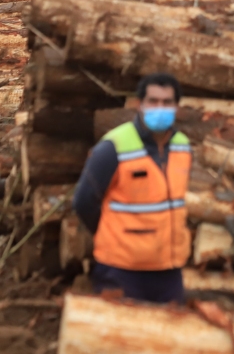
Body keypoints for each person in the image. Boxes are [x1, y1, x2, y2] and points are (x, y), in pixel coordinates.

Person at [72, 73, 191, 304]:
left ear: (177, 107)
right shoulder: (113, 147)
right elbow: (83, 202)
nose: (160, 108)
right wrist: (111, 232)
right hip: (121, 270)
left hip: (169, 269)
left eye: (167, 103)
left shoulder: (182, 147)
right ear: (139, 104)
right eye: (153, 101)